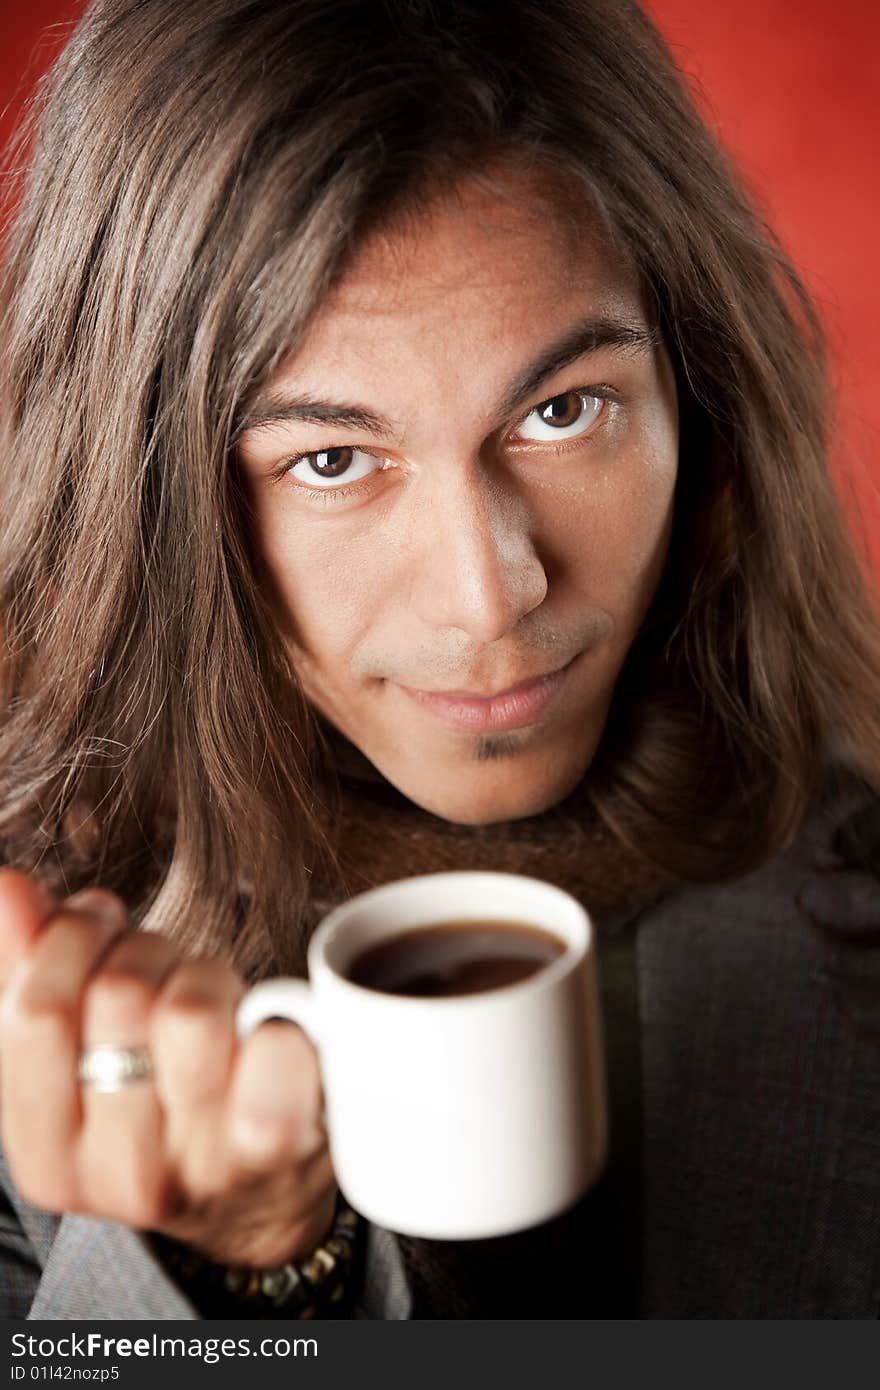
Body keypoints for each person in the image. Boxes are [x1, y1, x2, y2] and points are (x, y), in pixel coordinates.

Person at [0, 0, 878, 1321]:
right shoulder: (37, 978)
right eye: (332, 460)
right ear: (146, 505)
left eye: (561, 411)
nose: (490, 597)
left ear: (699, 391)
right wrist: (234, 1274)